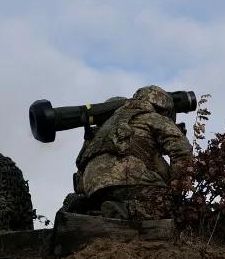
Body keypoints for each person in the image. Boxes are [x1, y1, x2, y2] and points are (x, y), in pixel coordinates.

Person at [70, 86, 193, 221]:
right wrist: (177, 189)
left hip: (93, 187)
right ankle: (124, 211)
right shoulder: (153, 117)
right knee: (171, 209)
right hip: (129, 180)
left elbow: (81, 163)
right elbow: (182, 151)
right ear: (165, 107)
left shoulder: (106, 124)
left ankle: (91, 209)